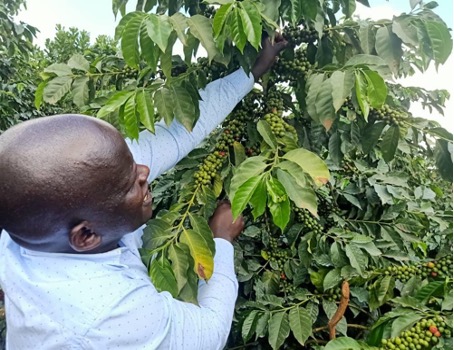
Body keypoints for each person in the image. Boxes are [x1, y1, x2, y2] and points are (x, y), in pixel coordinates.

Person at [0, 34, 288, 349]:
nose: (145, 170)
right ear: (86, 236)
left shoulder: (33, 220)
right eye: (130, 182)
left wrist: (253, 71)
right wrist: (221, 240)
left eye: (131, 161)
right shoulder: (110, 318)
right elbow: (209, 332)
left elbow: (181, 132)